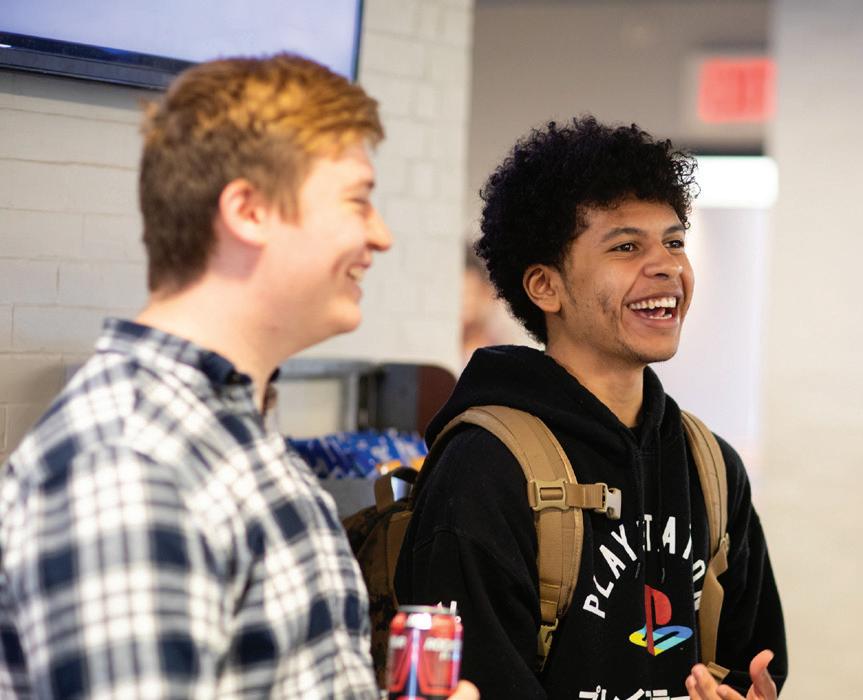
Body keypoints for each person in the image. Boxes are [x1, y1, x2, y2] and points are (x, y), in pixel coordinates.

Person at [0, 54, 476, 699]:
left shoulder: (229, 437)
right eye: (358, 201)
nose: (382, 235)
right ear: (249, 211)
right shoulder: (132, 461)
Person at [396, 116, 787, 699]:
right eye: (626, 246)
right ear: (545, 286)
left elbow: (751, 659)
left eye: (674, 242)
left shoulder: (711, 468)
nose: (667, 266)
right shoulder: (485, 469)